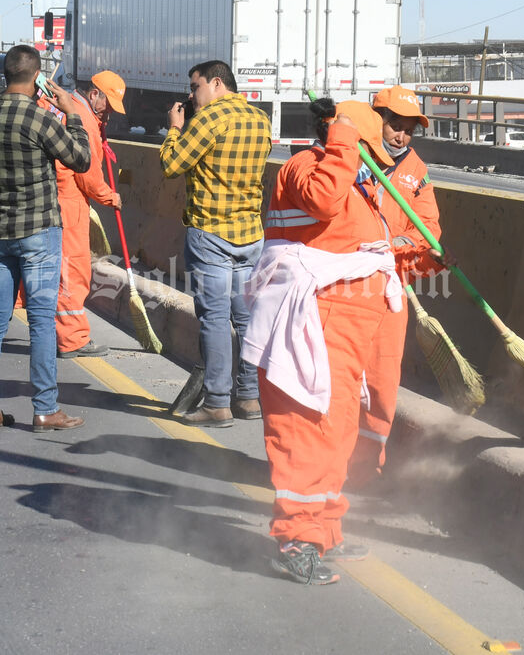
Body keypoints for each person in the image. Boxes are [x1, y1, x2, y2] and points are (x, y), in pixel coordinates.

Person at [243, 99, 400, 585]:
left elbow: (362, 248)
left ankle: (324, 529)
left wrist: (415, 259)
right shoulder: (308, 167)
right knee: (306, 433)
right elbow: (323, 204)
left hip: (344, 330)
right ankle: (297, 539)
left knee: (336, 435)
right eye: (366, 147)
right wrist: (344, 142)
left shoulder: (358, 183)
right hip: (314, 320)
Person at [0, 44, 91, 433]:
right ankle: (46, 408)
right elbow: (80, 160)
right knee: (42, 322)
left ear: (3, 76)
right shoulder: (41, 119)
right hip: (39, 235)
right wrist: (73, 113)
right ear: (36, 78)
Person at [160, 59, 272, 427]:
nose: (192, 97)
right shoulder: (260, 120)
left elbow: (172, 164)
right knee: (247, 319)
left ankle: (218, 403)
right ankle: (250, 397)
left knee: (215, 319)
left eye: (195, 88)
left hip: (212, 234)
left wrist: (175, 129)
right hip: (250, 236)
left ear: (217, 83)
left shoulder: (209, 119)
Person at [349, 86, 446, 485]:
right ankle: (330, 457)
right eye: (394, 125)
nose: (401, 135)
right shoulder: (350, 157)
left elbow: (427, 234)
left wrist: (392, 248)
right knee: (340, 377)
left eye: (409, 128)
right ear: (377, 120)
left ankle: (368, 464)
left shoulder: (417, 173)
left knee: (382, 380)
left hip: (389, 292)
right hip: (344, 288)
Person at [54, 70, 125, 359]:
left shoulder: (73, 108)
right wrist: (111, 197)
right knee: (73, 271)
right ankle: (72, 339)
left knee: (60, 269)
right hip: (69, 201)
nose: (109, 111)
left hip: (58, 198)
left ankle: (57, 332)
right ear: (93, 93)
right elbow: (88, 174)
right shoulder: (82, 118)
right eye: (107, 103)